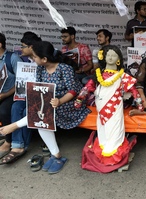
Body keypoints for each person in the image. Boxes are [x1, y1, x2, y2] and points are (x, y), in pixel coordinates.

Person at [0, 41, 91, 174]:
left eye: (35, 57)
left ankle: (14, 126)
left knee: (43, 114)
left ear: (44, 59)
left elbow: (73, 91)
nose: (33, 59)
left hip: (68, 104)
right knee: (41, 116)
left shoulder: (64, 69)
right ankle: (56, 155)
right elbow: (39, 88)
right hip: (48, 103)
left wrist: (59, 101)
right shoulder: (40, 69)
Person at [81, 45, 140, 165]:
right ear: (104, 57)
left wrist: (139, 104)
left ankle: (113, 153)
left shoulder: (122, 75)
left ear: (119, 59)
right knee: (103, 131)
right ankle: (103, 151)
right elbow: (87, 88)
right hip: (101, 109)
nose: (111, 57)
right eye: (108, 55)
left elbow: (134, 90)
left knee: (115, 129)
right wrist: (79, 99)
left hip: (115, 108)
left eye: (114, 55)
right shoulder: (98, 75)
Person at [0, 32, 42, 164]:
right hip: (23, 94)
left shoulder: (41, 59)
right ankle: (16, 144)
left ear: (31, 47)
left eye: (23, 46)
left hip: (37, 95)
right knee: (16, 106)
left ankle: (18, 145)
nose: (20, 49)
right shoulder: (24, 60)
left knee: (24, 111)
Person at [0, 33, 23, 161]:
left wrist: (4, 95)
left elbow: (21, 82)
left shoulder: (12, 58)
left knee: (4, 111)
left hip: (11, 93)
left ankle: (8, 141)